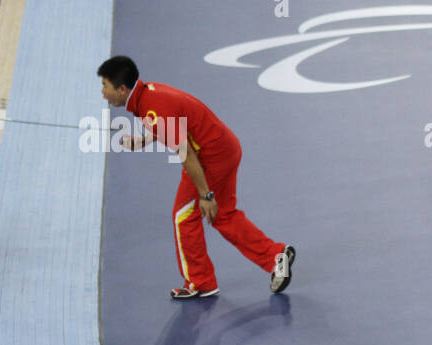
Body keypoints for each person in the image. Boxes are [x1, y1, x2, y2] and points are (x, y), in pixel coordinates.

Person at [97, 55, 295, 299]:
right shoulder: (148, 93)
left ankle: (200, 282)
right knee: (223, 214)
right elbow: (171, 123)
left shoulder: (150, 108)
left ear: (122, 88)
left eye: (105, 86)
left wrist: (206, 194)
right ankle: (276, 257)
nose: (103, 93)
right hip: (226, 147)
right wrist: (142, 140)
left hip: (211, 158)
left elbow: (187, 154)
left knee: (184, 216)